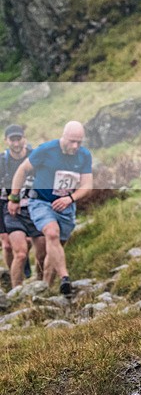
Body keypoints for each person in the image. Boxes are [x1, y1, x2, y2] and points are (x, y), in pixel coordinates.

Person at [8, 121, 93, 297]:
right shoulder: (46, 150)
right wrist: (14, 197)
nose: (75, 146)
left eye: (79, 142)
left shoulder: (84, 155)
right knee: (51, 233)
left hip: (66, 207)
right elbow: (22, 170)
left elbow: (87, 185)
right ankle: (65, 277)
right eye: (72, 141)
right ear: (63, 136)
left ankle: (46, 288)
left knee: (56, 248)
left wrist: (70, 198)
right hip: (41, 202)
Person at [0, 125, 44, 288]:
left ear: (24, 139)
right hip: (8, 208)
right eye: (13, 139)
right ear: (6, 141)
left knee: (41, 250)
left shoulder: (35, 158)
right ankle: (16, 289)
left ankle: (40, 284)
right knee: (13, 248)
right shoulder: (2, 162)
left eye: (19, 139)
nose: (16, 143)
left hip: (34, 207)